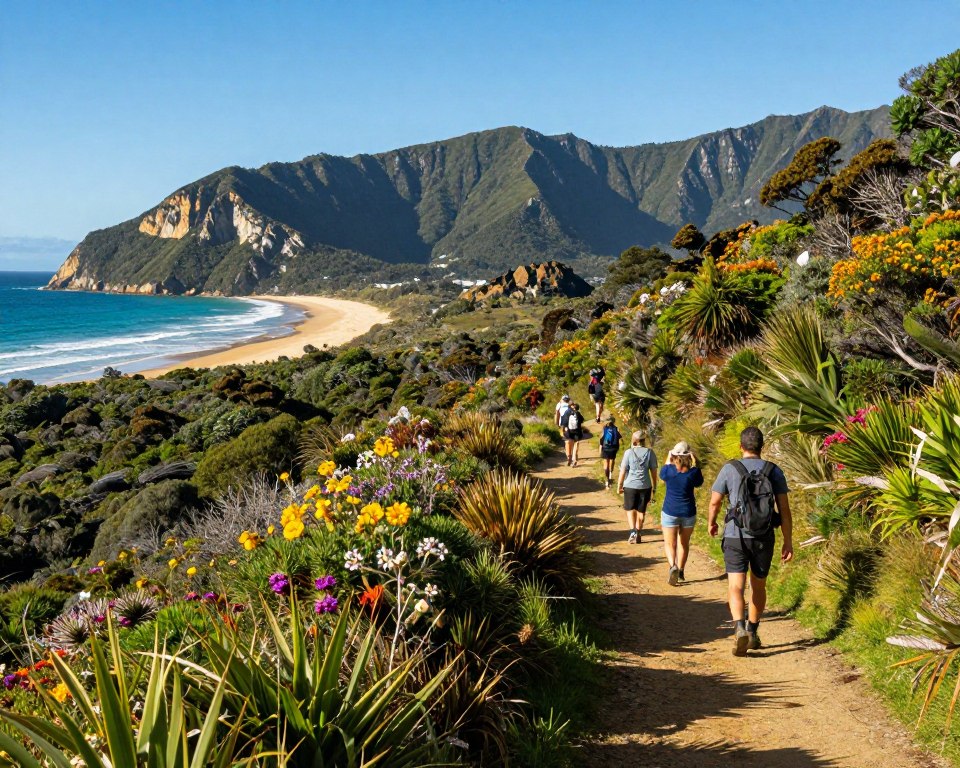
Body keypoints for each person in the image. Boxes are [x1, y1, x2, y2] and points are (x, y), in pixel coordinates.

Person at [708, 426, 793, 657]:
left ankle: (739, 628)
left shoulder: (730, 468)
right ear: (761, 447)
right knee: (758, 586)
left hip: (735, 535)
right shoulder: (773, 470)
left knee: (736, 585)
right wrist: (788, 541)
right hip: (763, 536)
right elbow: (784, 510)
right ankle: (753, 632)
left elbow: (715, 502)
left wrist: (712, 522)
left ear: (741, 446)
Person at [659, 441, 703, 586]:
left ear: (674, 455)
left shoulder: (668, 471)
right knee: (684, 543)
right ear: (689, 456)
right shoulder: (693, 473)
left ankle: (673, 566)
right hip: (688, 512)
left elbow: (663, 472)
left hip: (670, 511)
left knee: (670, 543)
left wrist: (669, 456)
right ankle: (681, 570)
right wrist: (696, 463)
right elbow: (699, 482)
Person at [617, 431, 658, 544]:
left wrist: (619, 485)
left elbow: (623, 471)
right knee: (641, 511)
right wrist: (654, 486)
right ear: (644, 440)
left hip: (630, 485)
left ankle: (633, 531)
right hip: (645, 485)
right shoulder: (650, 452)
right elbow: (654, 472)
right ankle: (639, 531)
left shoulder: (628, 452)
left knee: (630, 509)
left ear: (634, 440)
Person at [598, 415, 622, 489]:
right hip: (613, 448)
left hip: (605, 448)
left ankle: (607, 479)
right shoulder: (616, 429)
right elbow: (620, 440)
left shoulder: (604, 428)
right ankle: (610, 474)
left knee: (606, 464)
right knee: (612, 461)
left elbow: (601, 440)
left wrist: (600, 449)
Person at [561, 402, 584, 467]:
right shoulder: (578, 413)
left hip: (569, 431)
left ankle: (569, 458)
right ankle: (574, 460)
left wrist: (563, 431)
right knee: (576, 444)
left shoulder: (567, 412)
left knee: (568, 443)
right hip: (577, 431)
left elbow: (563, 423)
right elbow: (582, 420)